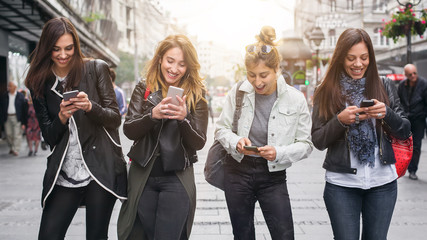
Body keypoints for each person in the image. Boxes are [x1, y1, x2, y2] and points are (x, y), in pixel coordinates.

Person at [24, 17, 127, 240]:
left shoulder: (96, 68)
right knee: (49, 235)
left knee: (96, 236)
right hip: (64, 172)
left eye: (69, 48)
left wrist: (90, 106)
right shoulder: (38, 82)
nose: (63, 55)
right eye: (56, 49)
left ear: (76, 46)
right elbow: (50, 137)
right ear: (46, 48)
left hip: (99, 169)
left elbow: (114, 119)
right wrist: (61, 116)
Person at [311, 28, 411, 240]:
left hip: (382, 183)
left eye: (364, 58)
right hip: (341, 185)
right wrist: (339, 121)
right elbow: (318, 140)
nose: (358, 64)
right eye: (351, 58)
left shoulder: (384, 85)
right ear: (340, 58)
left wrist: (387, 113)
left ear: (370, 58)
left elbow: (404, 130)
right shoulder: (326, 91)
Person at [215, 26, 313, 240]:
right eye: (251, 75)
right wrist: (236, 141)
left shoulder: (295, 99)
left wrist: (279, 152)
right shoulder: (238, 91)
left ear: (277, 68)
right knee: (243, 235)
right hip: (237, 172)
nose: (257, 82)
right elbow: (221, 129)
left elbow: (306, 144)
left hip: (273, 176)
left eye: (263, 75)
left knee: (284, 235)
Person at [117, 34, 208, 240]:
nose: (174, 69)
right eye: (170, 61)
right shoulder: (144, 87)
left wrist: (184, 119)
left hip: (177, 178)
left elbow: (199, 141)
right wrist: (153, 115)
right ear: (160, 59)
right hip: (144, 177)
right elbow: (129, 129)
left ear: (189, 67)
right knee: (143, 234)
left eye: (182, 64)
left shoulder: (197, 94)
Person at [397, 64, 427, 180]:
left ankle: (413, 170)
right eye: (410, 74)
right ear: (405, 75)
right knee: (404, 145)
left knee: (416, 145)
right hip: (406, 120)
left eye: (415, 73)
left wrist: (423, 115)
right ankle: (404, 167)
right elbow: (398, 102)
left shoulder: (423, 84)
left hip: (419, 119)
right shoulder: (401, 85)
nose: (413, 76)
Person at [0, 80, 27, 156]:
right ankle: (12, 147)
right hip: (7, 117)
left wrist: (24, 122)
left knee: (17, 134)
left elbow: (24, 109)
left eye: (10, 86)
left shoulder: (20, 96)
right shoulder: (4, 96)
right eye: (8, 86)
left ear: (15, 87)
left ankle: (16, 149)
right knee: (8, 134)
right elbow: (1, 108)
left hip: (17, 117)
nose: (9, 88)